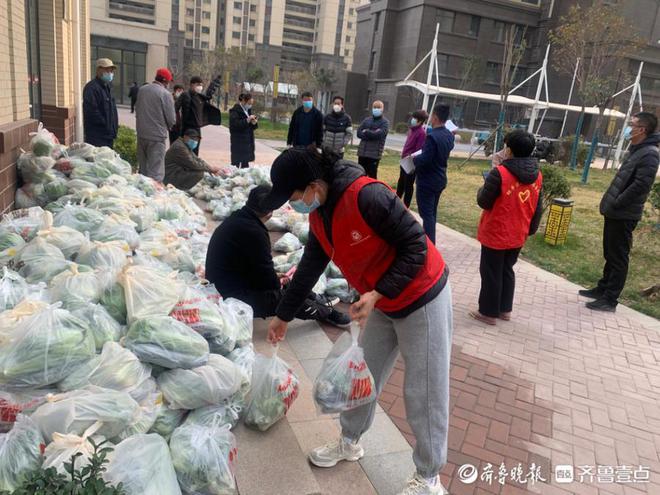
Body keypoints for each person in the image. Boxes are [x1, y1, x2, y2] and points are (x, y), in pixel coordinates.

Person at [262, 148, 452, 495]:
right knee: (361, 376)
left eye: (294, 195)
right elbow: (309, 267)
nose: (294, 203)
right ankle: (350, 441)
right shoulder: (321, 215)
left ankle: (428, 477)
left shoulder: (368, 195)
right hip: (380, 300)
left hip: (422, 296)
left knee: (424, 389)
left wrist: (377, 293)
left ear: (314, 184)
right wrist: (283, 316)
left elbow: (416, 246)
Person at [205, 185, 350, 328]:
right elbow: (268, 281)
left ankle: (317, 300)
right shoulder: (254, 232)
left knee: (287, 282)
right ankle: (325, 312)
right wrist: (276, 281)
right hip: (231, 297)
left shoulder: (238, 219)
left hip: (228, 284)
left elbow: (256, 267)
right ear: (270, 211)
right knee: (284, 298)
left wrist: (277, 278)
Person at [580, 112, 660, 312]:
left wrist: (617, 202)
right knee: (610, 251)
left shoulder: (650, 153)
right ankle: (602, 288)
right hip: (616, 210)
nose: (628, 127)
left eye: (631, 124)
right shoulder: (637, 149)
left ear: (642, 129)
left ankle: (610, 299)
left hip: (624, 213)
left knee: (618, 256)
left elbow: (641, 185)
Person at [470, 130, 543, 325]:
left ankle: (487, 313)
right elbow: (538, 207)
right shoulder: (537, 175)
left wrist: (483, 187)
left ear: (509, 150)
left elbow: (484, 202)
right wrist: (531, 229)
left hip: (496, 232)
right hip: (519, 232)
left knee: (491, 272)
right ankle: (504, 310)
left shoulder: (500, 173)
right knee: (506, 270)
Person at [413, 104, 455, 245]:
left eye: (432, 116)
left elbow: (425, 159)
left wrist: (414, 159)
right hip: (440, 178)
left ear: (435, 117)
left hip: (427, 180)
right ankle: (430, 243)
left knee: (427, 215)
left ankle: (430, 245)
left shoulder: (432, 137)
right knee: (432, 213)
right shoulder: (448, 135)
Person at [135, 68, 177, 183]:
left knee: (143, 170)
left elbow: (137, 110)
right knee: (156, 173)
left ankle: (141, 194)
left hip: (141, 134)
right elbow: (171, 119)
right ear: (166, 82)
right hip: (157, 138)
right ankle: (153, 197)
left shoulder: (142, 90)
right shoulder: (165, 94)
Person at [176, 75, 222, 155]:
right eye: (198, 85)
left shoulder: (199, 97)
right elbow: (175, 108)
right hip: (187, 129)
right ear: (191, 85)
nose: (200, 87)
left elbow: (208, 94)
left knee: (195, 153)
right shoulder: (185, 95)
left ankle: (193, 167)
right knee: (186, 153)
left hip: (197, 129)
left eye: (201, 85)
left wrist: (214, 83)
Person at [83, 58, 119, 148]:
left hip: (108, 136)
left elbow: (111, 110)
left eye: (111, 71)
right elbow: (92, 111)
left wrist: (113, 128)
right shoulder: (92, 88)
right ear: (99, 70)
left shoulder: (108, 87)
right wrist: (105, 125)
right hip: (97, 136)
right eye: (107, 70)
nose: (110, 73)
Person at [396, 109, 428, 208]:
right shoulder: (412, 130)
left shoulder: (421, 133)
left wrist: (410, 156)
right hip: (404, 159)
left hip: (411, 161)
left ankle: (405, 206)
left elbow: (419, 150)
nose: (412, 120)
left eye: (415, 118)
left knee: (408, 185)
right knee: (401, 182)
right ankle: (396, 202)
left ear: (420, 121)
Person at [356, 101, 389, 179]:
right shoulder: (366, 120)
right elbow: (358, 133)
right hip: (362, 153)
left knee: (372, 176)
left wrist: (366, 131)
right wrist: (372, 133)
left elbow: (379, 135)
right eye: (374, 107)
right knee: (360, 176)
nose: (376, 109)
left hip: (374, 155)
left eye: (378, 107)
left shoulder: (385, 122)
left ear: (382, 109)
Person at [229, 93, 258, 168]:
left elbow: (251, 127)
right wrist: (247, 120)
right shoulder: (235, 111)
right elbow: (235, 125)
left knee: (245, 166)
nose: (250, 105)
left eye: (251, 104)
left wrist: (254, 123)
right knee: (236, 165)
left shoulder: (248, 111)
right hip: (238, 142)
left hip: (247, 143)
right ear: (243, 101)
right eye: (249, 103)